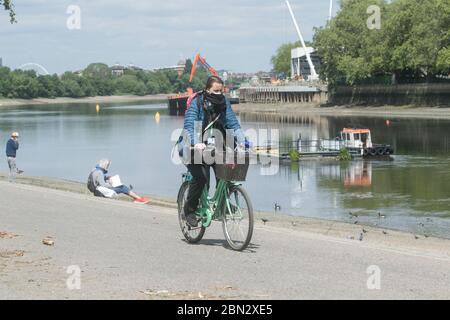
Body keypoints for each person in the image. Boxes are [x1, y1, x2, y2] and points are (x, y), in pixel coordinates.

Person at [180, 76, 246, 227]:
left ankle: (223, 204)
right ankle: (189, 210)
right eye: (215, 91)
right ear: (207, 89)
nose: (218, 94)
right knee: (201, 179)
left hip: (216, 146)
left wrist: (243, 141)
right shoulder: (197, 102)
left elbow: (233, 124)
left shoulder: (224, 103)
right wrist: (196, 143)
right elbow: (190, 125)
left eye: (221, 91)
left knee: (227, 175)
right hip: (193, 148)